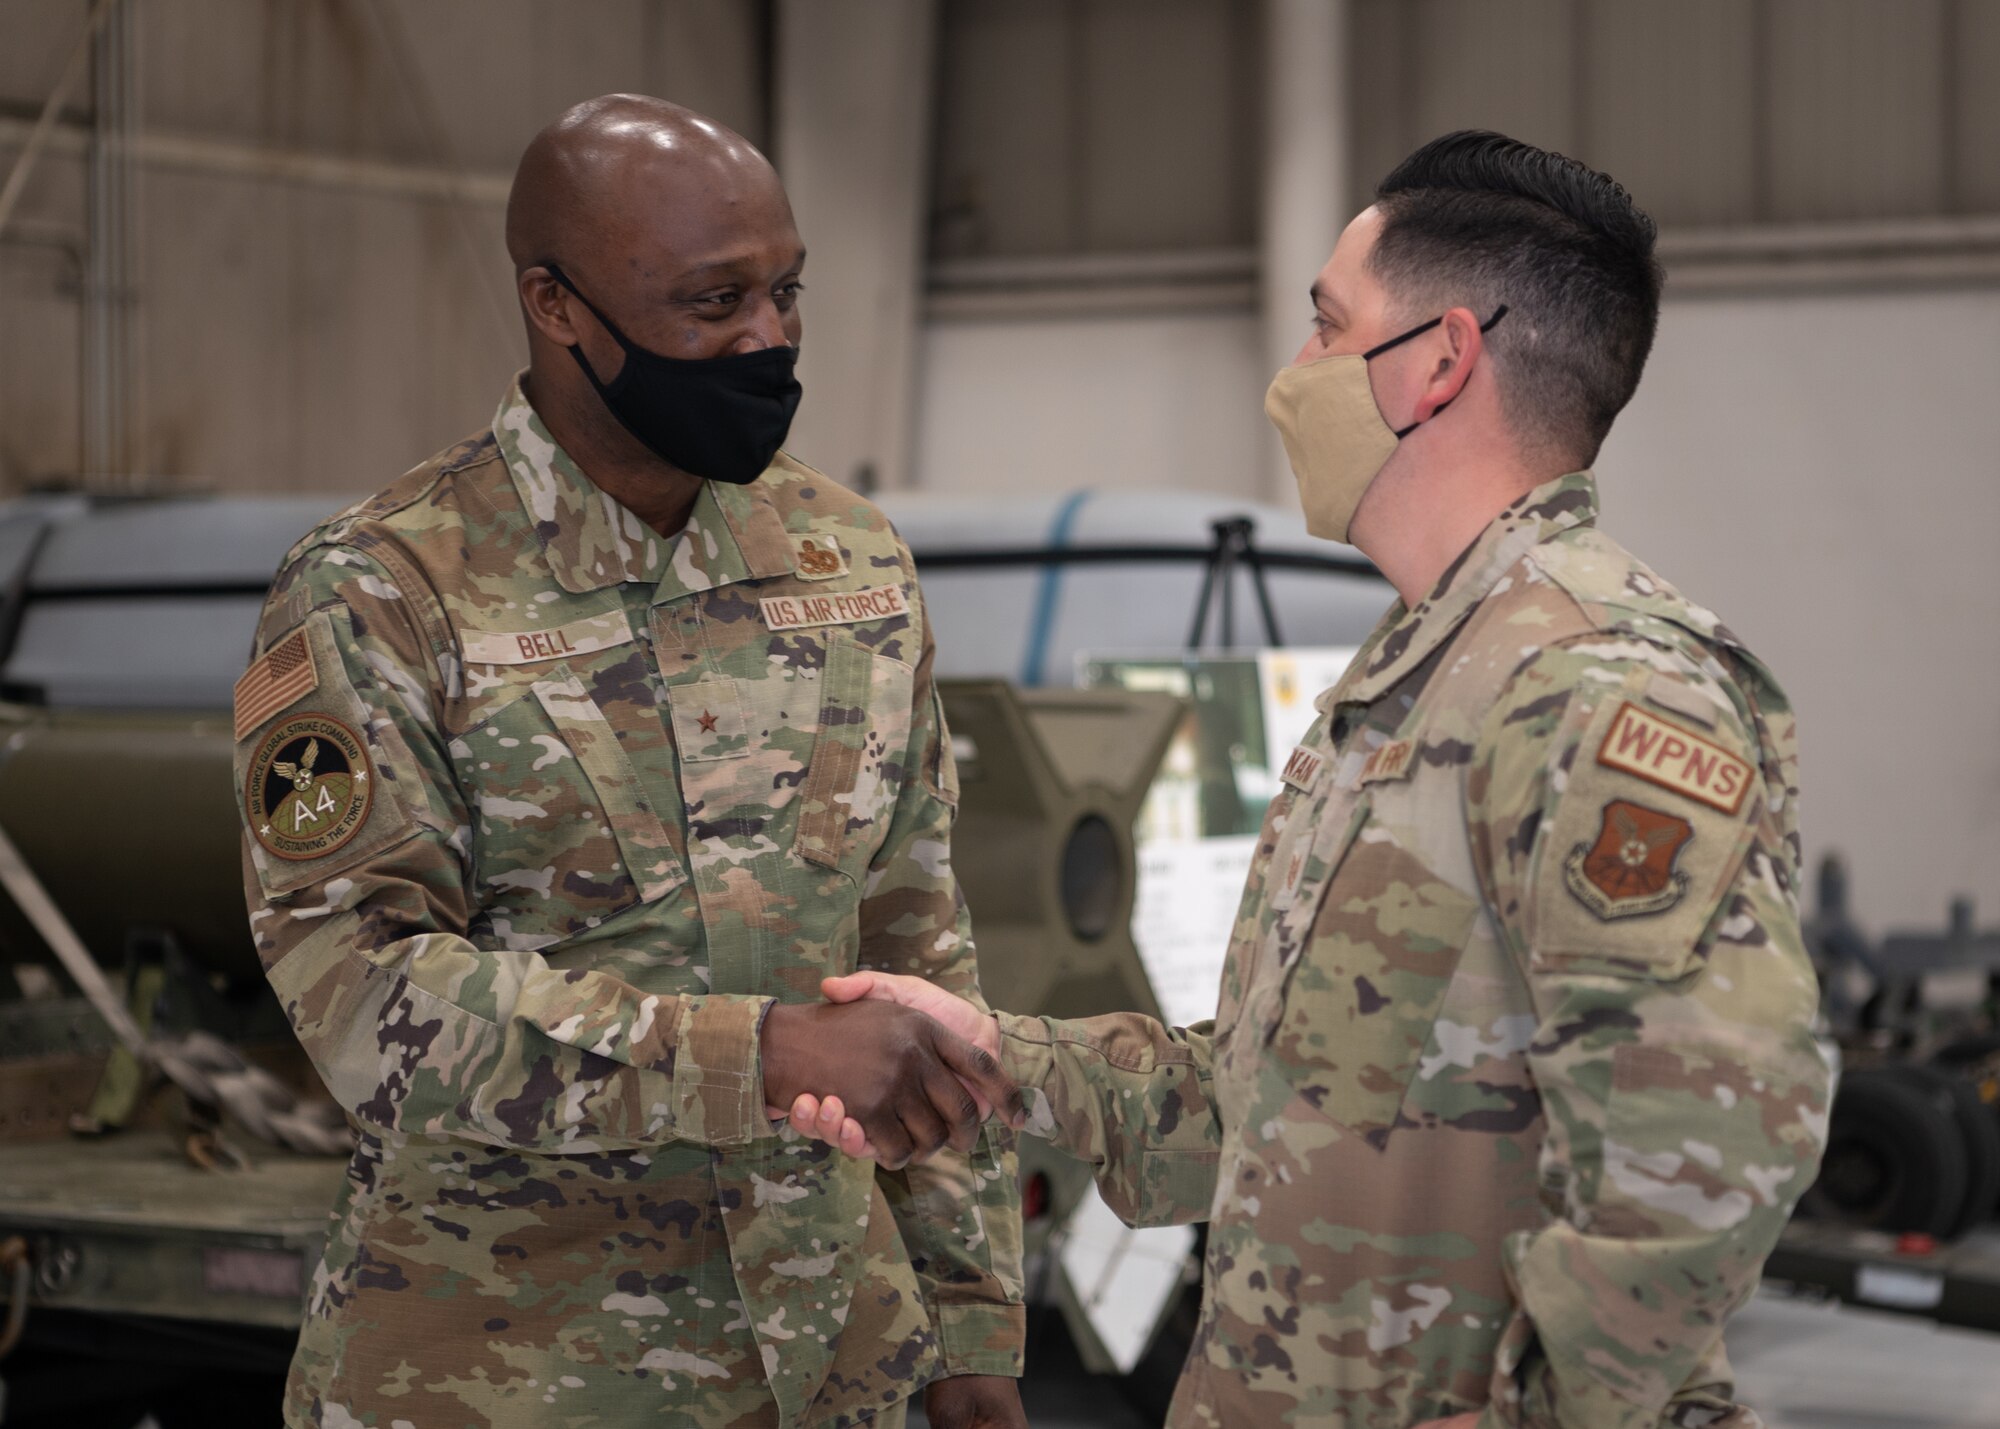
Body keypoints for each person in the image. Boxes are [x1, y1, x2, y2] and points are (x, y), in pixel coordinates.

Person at [787, 131, 1832, 1428]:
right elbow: (1263, 1113)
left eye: (1329, 330)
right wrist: (1001, 1053)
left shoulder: (1598, 682)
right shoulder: (1412, 679)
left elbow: (1724, 1125)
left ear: (1440, 361)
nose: (1296, 376)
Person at [231, 94, 1029, 1429]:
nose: (766, 339)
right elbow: (363, 994)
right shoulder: (382, 588)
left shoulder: (850, 561)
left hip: (835, 1357)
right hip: (513, 1372)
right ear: (558, 306)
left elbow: (921, 945)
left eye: (787, 291)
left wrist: (971, 1318)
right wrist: (758, 1055)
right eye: (712, 304)